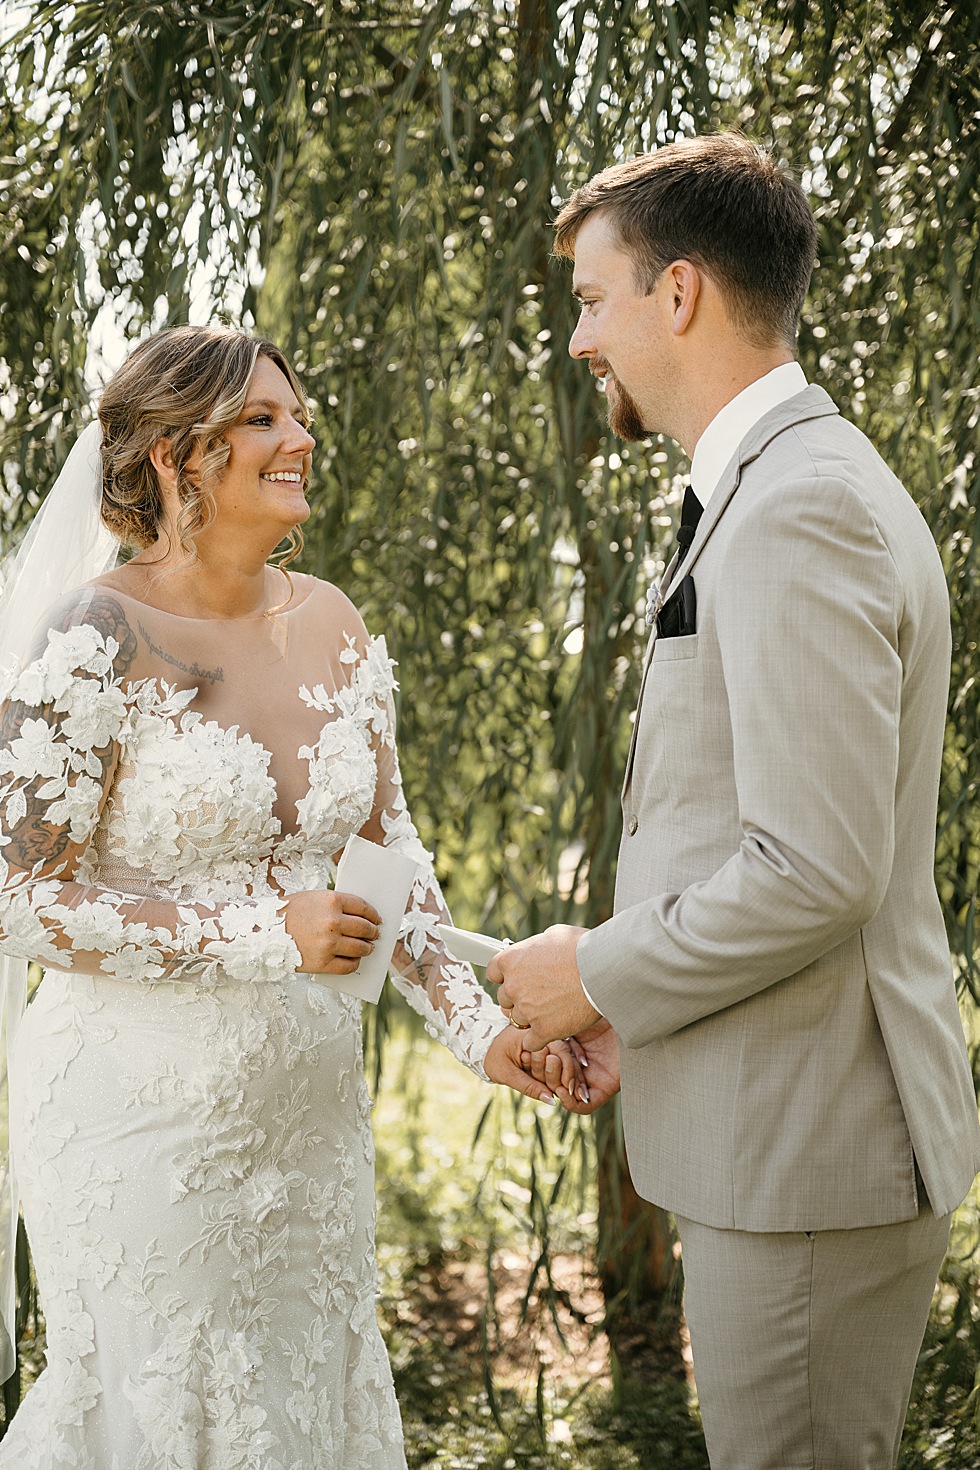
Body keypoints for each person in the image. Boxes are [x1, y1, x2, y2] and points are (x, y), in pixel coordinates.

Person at [0, 324, 583, 1469]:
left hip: (308, 1124)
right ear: (175, 454)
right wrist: (263, 933)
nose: (300, 438)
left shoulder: (332, 623)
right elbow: (21, 896)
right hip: (139, 1124)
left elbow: (387, 863)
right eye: (262, 420)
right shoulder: (95, 638)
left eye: (299, 415)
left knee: (305, 1404)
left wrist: (482, 1033)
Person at [487, 133, 980, 1469]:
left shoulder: (799, 506)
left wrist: (595, 970)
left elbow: (815, 866)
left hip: (806, 1155)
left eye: (593, 299)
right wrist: (641, 1014)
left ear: (680, 292)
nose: (581, 340)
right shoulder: (784, 486)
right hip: (785, 1128)